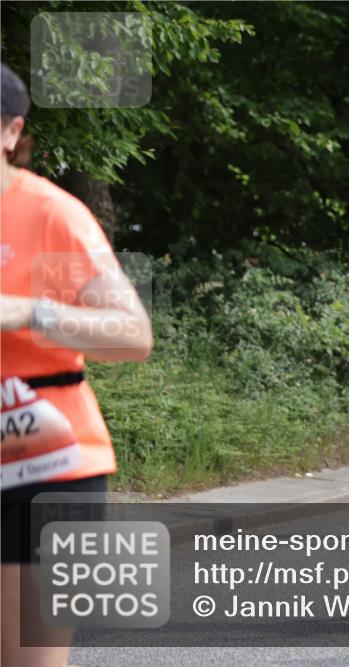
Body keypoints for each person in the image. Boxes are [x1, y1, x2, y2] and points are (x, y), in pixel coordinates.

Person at [0, 63, 153, 667]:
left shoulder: (49, 214)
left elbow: (132, 334)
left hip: (49, 462)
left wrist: (27, 312)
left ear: (11, 132)